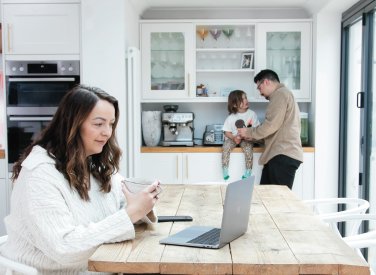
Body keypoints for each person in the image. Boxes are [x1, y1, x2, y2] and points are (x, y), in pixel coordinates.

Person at [0, 85, 160, 275]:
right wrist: (131, 213)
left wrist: (140, 204)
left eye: (111, 124)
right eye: (99, 124)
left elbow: (123, 201)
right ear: (72, 124)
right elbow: (65, 248)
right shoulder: (39, 175)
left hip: (97, 267)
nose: (107, 132)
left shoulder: (90, 163)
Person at [237, 69, 303, 189]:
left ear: (266, 82)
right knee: (267, 198)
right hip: (280, 155)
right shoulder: (284, 94)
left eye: (259, 88)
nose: (260, 92)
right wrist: (251, 137)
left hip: (282, 155)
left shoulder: (280, 94)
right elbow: (276, 130)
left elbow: (270, 126)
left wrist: (248, 131)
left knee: (276, 201)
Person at [222, 90, 260, 180]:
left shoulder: (252, 114)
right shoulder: (231, 117)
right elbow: (226, 132)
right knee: (225, 147)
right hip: (233, 138)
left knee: (248, 150)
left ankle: (248, 171)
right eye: (241, 99)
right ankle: (225, 168)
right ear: (235, 105)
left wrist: (250, 136)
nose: (245, 100)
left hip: (247, 139)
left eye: (245, 97)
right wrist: (234, 138)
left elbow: (257, 129)